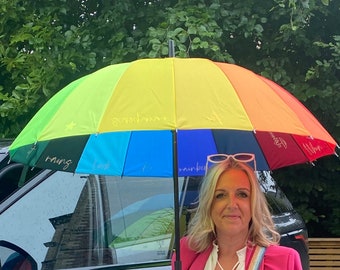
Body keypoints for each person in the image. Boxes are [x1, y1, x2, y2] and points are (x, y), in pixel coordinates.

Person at [172, 154, 302, 270]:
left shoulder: (284, 261)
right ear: (209, 204)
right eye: (220, 195)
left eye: (242, 194)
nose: (232, 205)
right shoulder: (186, 252)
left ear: (254, 204)